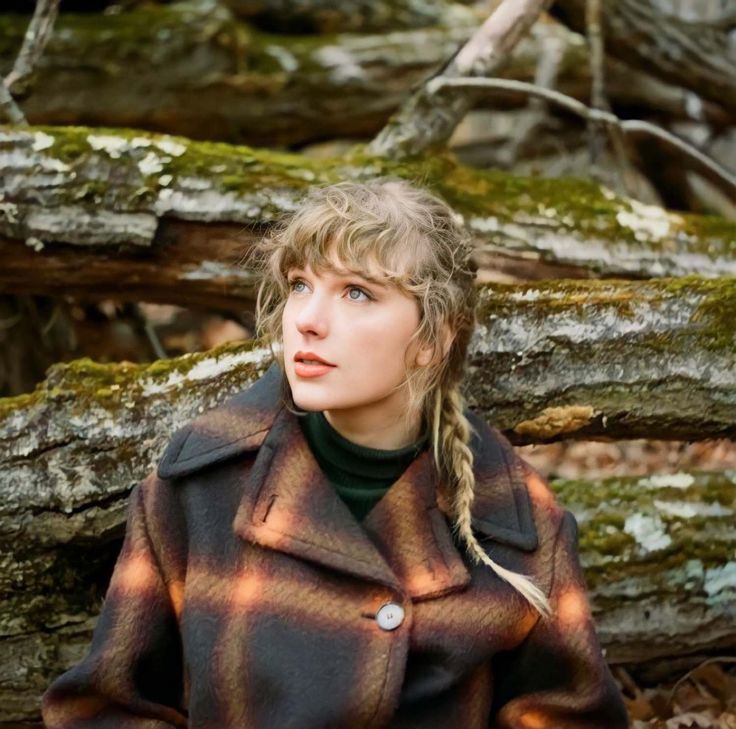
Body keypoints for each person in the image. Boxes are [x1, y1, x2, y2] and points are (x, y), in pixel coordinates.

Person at [41, 179, 630, 728]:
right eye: (300, 284)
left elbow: (568, 716)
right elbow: (106, 707)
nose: (308, 321)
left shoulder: (515, 520)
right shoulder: (201, 485)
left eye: (356, 292)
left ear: (433, 338)